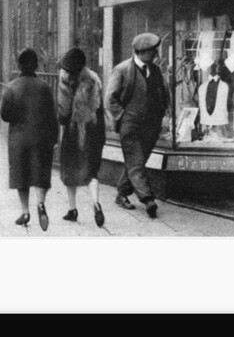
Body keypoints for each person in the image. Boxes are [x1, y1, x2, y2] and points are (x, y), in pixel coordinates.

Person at [106, 32, 169, 218]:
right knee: (135, 162)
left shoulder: (155, 70)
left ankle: (122, 193)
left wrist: (162, 115)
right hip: (130, 125)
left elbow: (162, 95)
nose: (156, 54)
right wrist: (123, 116)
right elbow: (110, 98)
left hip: (151, 126)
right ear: (142, 52)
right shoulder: (123, 69)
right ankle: (148, 199)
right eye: (153, 51)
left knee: (137, 162)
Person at [0, 48, 58, 231]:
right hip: (41, 137)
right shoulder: (44, 87)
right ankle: (40, 203)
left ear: (19, 65)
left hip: (19, 138)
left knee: (21, 175)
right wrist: (55, 138)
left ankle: (25, 212)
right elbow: (52, 115)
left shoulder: (11, 87)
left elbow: (5, 116)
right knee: (41, 173)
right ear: (36, 65)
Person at [56, 47, 106, 228]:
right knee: (92, 170)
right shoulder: (94, 78)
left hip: (73, 132)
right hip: (94, 130)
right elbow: (100, 107)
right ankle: (96, 203)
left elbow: (63, 111)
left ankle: (72, 209)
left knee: (70, 170)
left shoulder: (65, 81)